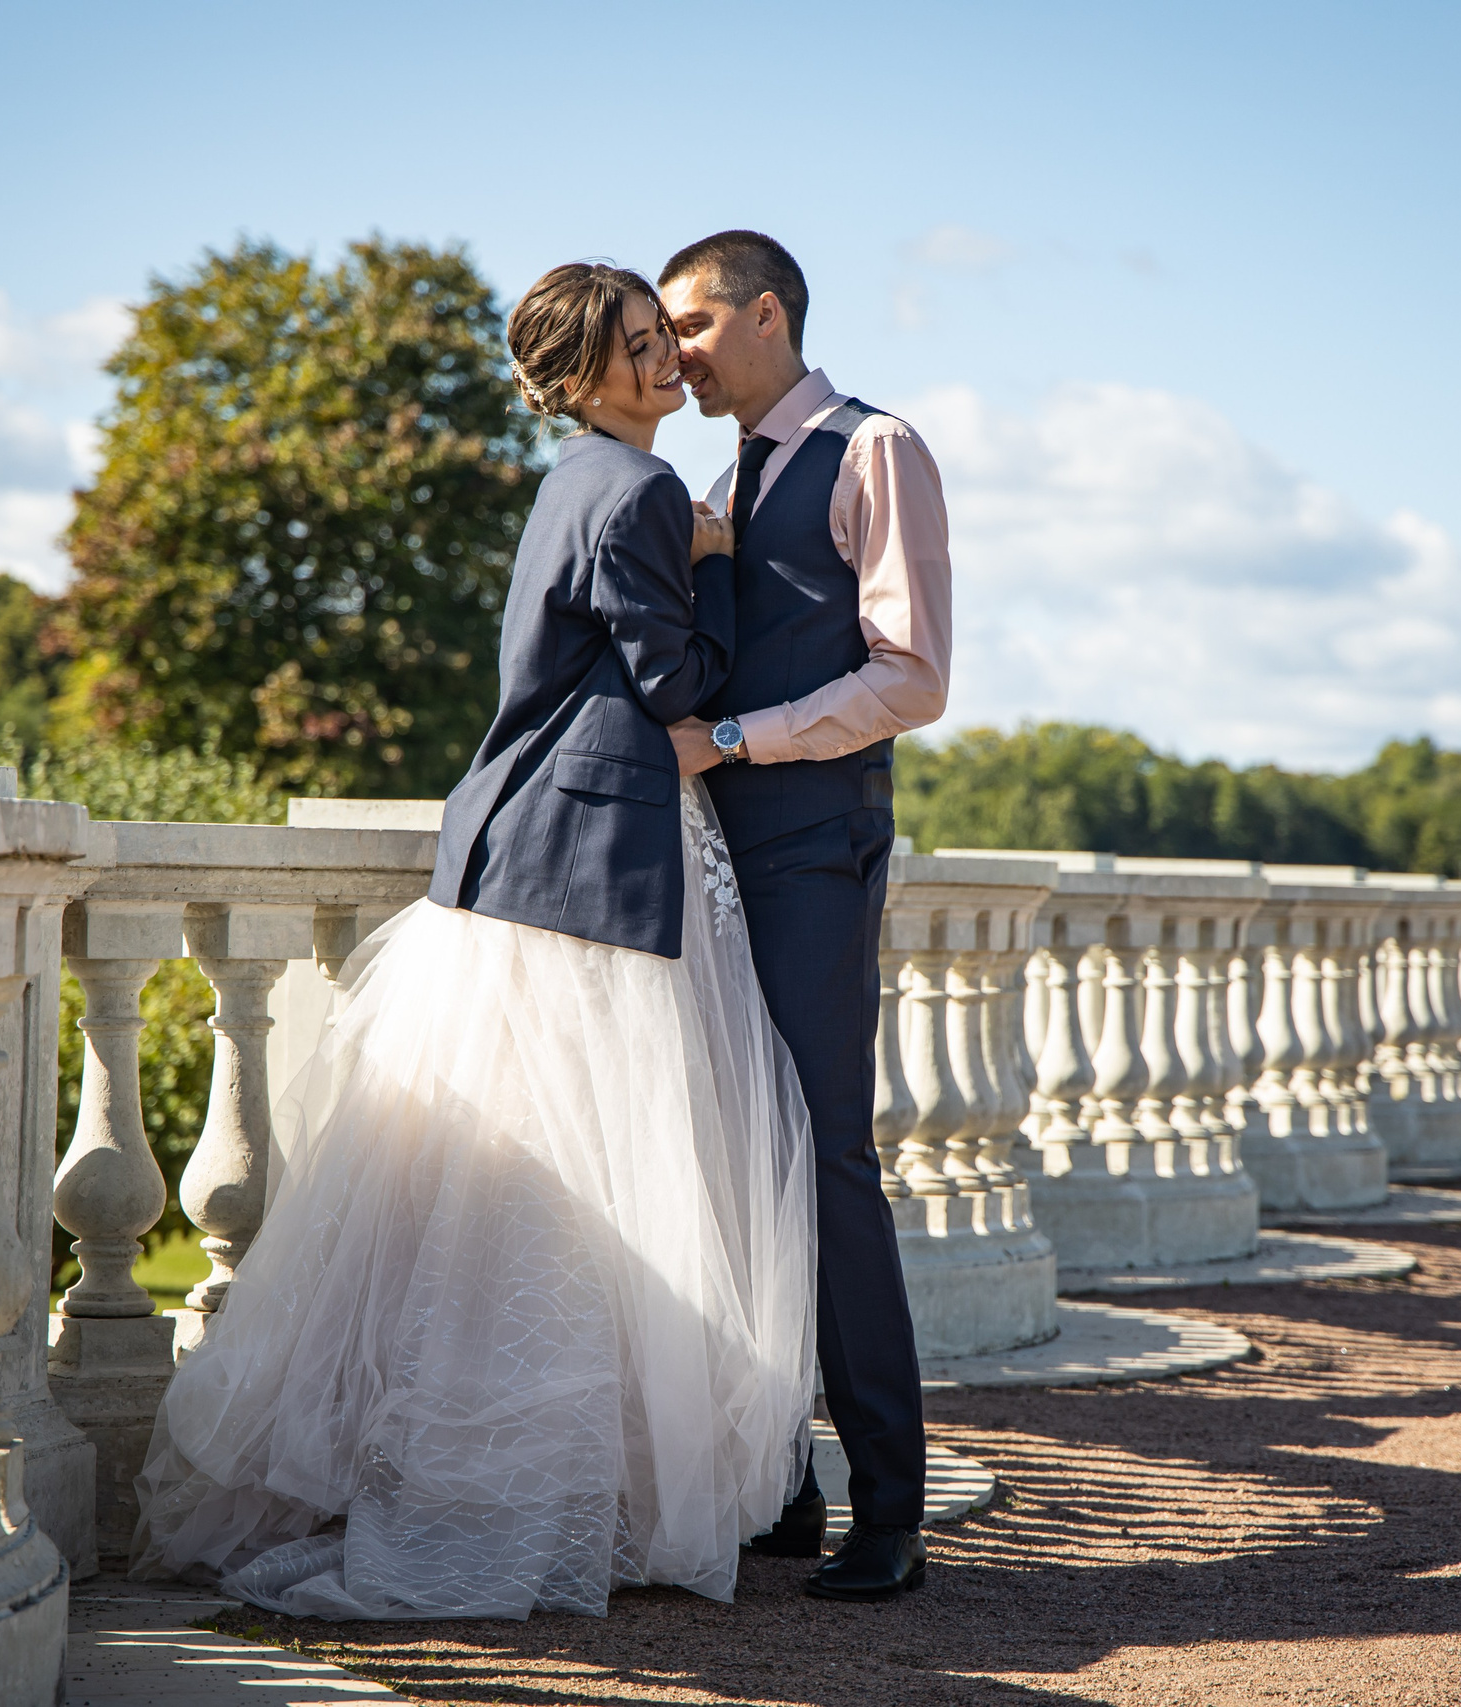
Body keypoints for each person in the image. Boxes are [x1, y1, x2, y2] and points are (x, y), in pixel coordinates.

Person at [129, 262, 819, 1621]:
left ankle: (537, 1487)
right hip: (589, 869)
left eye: (656, 340)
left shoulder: (579, 479)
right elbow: (680, 682)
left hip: (539, 853)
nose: (660, 363)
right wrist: (726, 570)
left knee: (509, 1203)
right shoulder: (636, 494)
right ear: (575, 380)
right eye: (632, 349)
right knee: (578, 1193)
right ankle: (522, 1501)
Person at [658, 230, 954, 1603]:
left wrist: (733, 734)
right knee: (744, 1159)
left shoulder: (874, 448)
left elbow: (911, 677)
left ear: (766, 313)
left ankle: (890, 1507)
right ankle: (779, 1487)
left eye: (695, 325)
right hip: (727, 856)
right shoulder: (732, 473)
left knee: (830, 1159)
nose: (677, 352)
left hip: (817, 851)